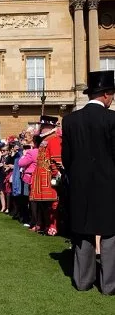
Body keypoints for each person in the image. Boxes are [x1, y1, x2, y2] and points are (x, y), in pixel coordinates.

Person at [62, 70, 115, 295]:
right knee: (110, 234)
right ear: (105, 94)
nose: (112, 98)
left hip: (80, 183)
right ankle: (109, 284)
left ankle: (83, 280)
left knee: (83, 232)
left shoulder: (71, 120)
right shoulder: (112, 119)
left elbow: (67, 156)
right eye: (111, 94)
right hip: (109, 183)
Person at [29, 115, 62, 236]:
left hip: (49, 176)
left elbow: (56, 159)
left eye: (43, 126)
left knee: (53, 203)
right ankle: (46, 224)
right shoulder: (45, 139)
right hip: (41, 175)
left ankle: (53, 226)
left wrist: (55, 174)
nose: (41, 128)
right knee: (43, 203)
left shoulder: (54, 139)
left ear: (49, 126)